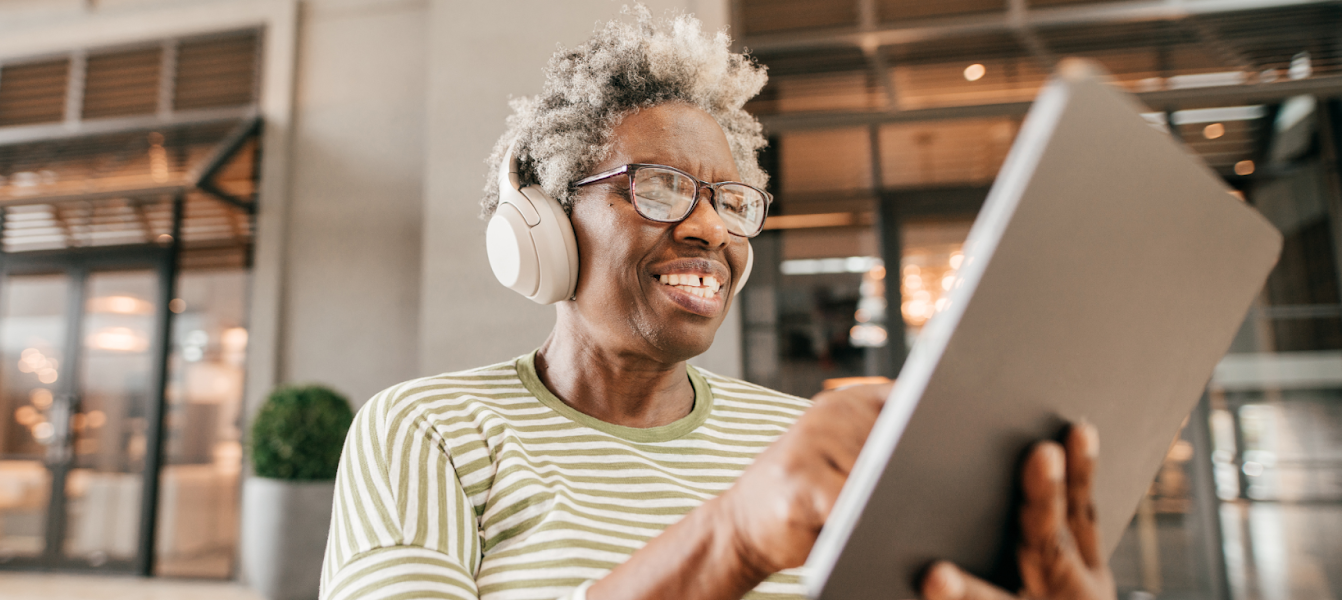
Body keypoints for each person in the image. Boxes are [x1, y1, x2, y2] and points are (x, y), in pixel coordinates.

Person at [319, 9, 1116, 600]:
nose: (708, 228)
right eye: (658, 188)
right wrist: (731, 539)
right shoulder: (429, 430)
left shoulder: (795, 441)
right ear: (544, 226)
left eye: (732, 201)